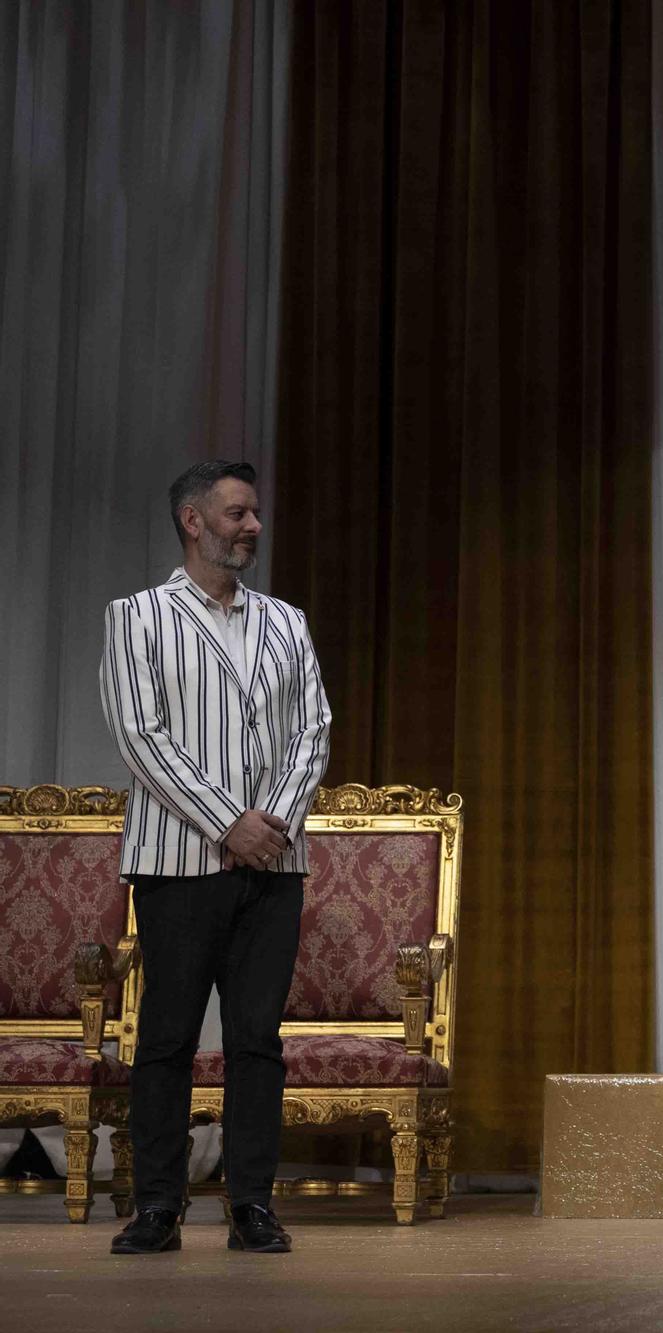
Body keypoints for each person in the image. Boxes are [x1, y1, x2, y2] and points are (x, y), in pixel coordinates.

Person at [98, 460, 332, 1255]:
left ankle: (252, 1203)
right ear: (194, 521)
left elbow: (314, 730)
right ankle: (158, 1204)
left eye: (256, 513)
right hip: (177, 864)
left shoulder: (287, 621)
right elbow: (142, 735)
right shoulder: (137, 617)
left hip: (274, 865)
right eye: (238, 513)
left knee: (257, 1039)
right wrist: (229, 822)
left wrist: (273, 825)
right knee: (164, 1037)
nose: (253, 526)